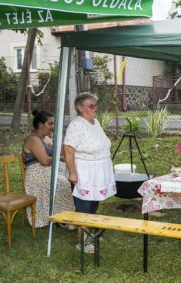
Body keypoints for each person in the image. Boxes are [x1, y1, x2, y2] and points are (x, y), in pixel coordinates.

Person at [63, 92, 116, 254]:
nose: (95, 108)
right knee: (84, 206)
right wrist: (72, 173)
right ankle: (82, 241)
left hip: (98, 172)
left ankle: (89, 233)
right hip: (84, 172)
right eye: (91, 106)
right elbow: (68, 150)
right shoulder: (76, 125)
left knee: (93, 204)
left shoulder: (95, 122)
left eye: (96, 105)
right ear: (80, 108)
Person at [22, 109, 75, 228]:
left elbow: (61, 151)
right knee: (65, 185)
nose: (53, 126)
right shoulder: (33, 140)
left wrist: (56, 136)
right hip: (36, 175)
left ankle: (64, 216)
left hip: (48, 171)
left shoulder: (46, 137)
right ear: (41, 124)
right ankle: (64, 218)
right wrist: (59, 158)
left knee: (73, 180)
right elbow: (45, 161)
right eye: (50, 124)